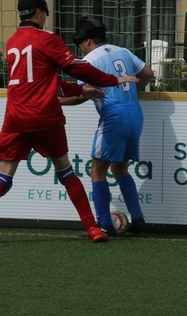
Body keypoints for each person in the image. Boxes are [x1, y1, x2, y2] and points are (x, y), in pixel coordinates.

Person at [0, 0, 138, 244]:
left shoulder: (11, 43)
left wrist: (77, 90)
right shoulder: (47, 39)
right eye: (45, 14)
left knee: (3, 177)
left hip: (16, 116)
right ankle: (93, 228)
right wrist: (111, 79)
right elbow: (76, 67)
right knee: (66, 172)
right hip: (44, 116)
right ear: (39, 12)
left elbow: (40, 82)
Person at [60, 17, 153, 236]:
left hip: (114, 115)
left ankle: (103, 224)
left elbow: (83, 95)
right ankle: (138, 219)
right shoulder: (123, 51)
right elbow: (147, 73)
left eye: (81, 43)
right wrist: (135, 90)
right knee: (119, 168)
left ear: (88, 41)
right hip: (135, 112)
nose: (81, 48)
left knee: (97, 169)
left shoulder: (89, 60)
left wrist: (58, 102)